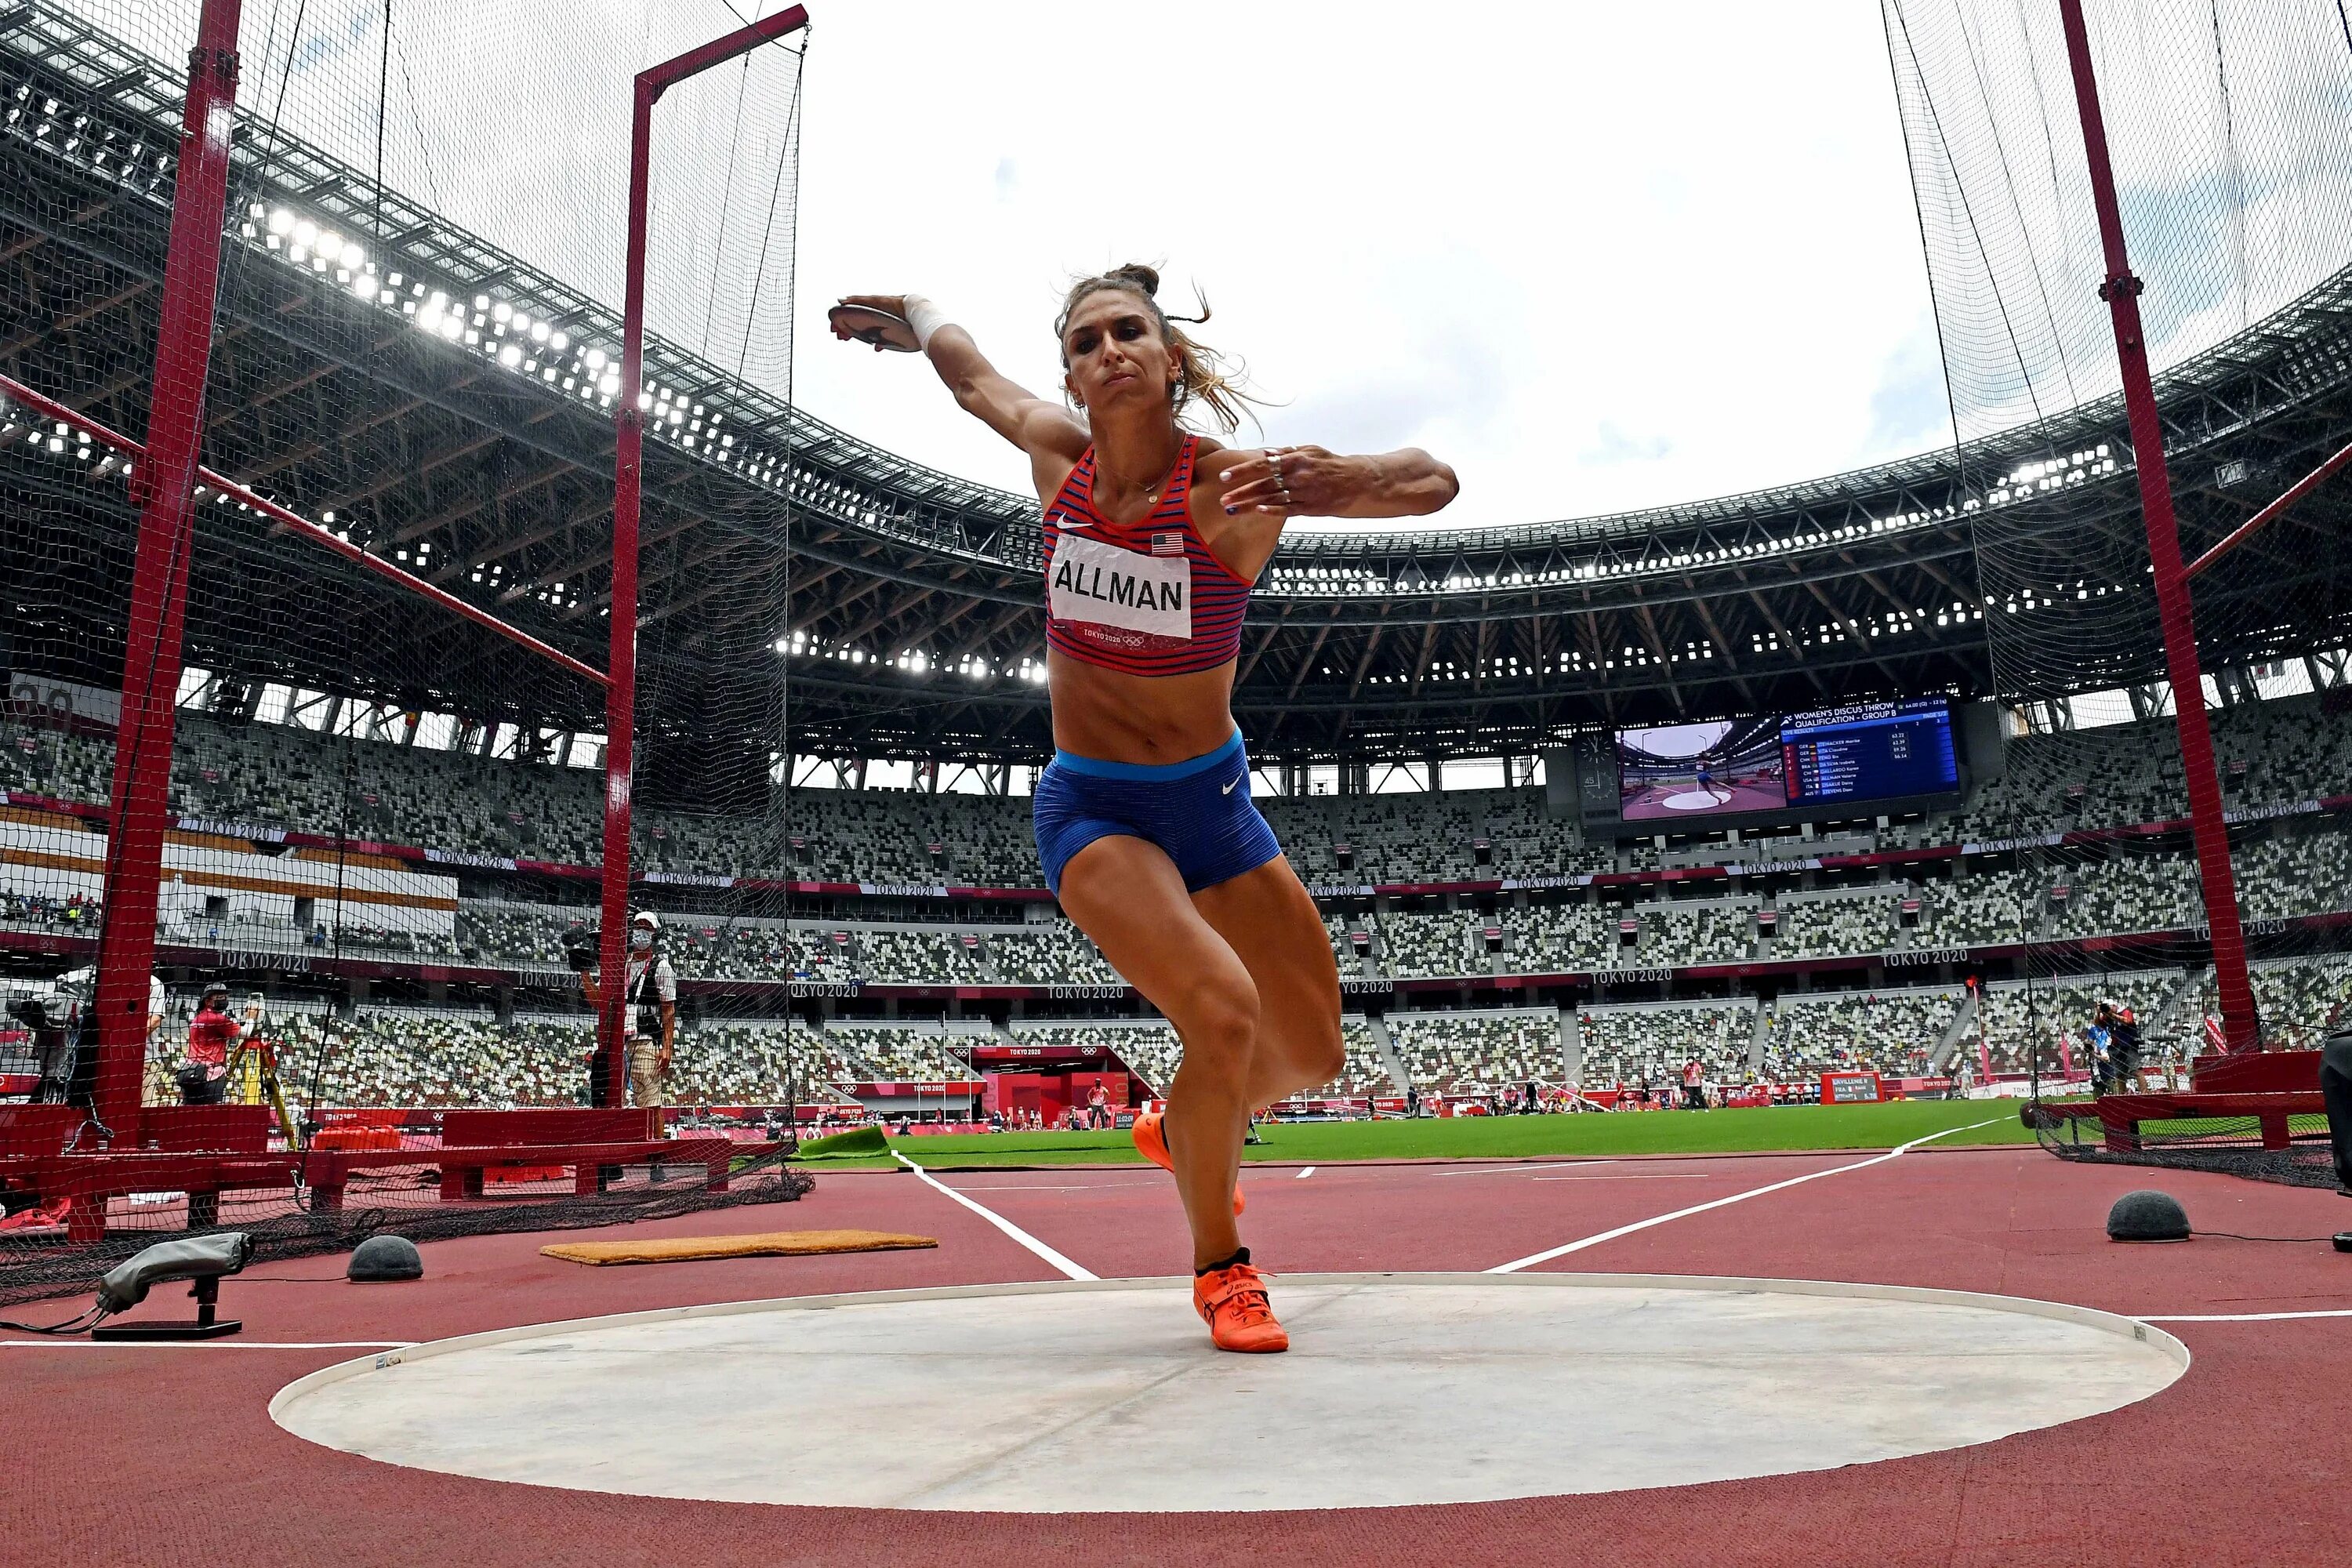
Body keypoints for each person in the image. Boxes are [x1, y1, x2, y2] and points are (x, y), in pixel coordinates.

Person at [835, 269, 1457, 1352]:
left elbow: (1432, 481)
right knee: (1220, 1010)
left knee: (1311, 1054)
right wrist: (919, 315)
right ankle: (1225, 1270)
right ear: (1073, 375)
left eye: (1132, 331)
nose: (1110, 347)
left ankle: (1180, 1124)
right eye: (1087, 340)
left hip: (1215, 804)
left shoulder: (1234, 490)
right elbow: (971, 376)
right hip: (1097, 807)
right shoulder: (1055, 460)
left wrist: (1338, 475)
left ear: (1172, 361)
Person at [579, 910, 677, 1110]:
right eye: (638, 926)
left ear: (655, 934)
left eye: (647, 928)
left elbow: (668, 1010)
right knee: (612, 1097)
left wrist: (667, 1047)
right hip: (615, 1038)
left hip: (645, 1036)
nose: (641, 931)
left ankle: (655, 1139)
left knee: (650, 1099)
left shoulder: (662, 967)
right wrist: (584, 972)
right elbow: (597, 1000)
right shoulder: (620, 963)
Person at [179, 982, 245, 1105]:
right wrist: (252, 1017)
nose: (224, 1000)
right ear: (208, 1001)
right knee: (211, 1114)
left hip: (191, 1072)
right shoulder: (216, 1019)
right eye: (219, 997)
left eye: (225, 997)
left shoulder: (198, 1018)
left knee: (189, 1112)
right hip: (211, 1075)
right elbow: (246, 1033)